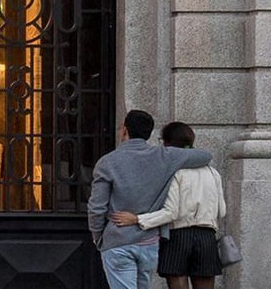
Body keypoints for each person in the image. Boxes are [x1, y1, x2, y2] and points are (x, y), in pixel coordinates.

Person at [89, 109, 211, 289]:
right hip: (149, 242)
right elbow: (205, 156)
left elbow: (97, 207)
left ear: (124, 130)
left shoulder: (107, 162)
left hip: (118, 239)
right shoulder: (165, 156)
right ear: (149, 133)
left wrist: (98, 237)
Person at [112, 121, 227, 289]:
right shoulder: (212, 172)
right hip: (207, 238)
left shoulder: (174, 171)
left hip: (177, 237)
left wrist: (137, 219)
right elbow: (221, 211)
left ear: (167, 143)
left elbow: (171, 212)